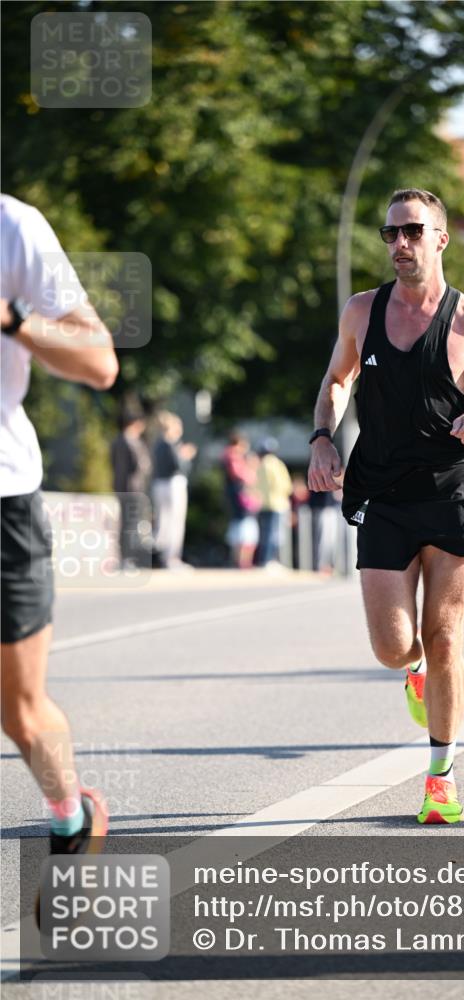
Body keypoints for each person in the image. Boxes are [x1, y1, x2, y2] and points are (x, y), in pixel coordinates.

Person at [308, 188, 464, 824]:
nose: (400, 244)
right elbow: (336, 383)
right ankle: (414, 676)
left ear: (440, 239)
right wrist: (324, 438)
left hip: (450, 491)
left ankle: (441, 776)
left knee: (445, 635)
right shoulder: (361, 311)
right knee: (395, 646)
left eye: (412, 232)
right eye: (390, 234)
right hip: (381, 491)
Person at [1, 193, 118, 863]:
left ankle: (70, 812)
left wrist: (13, 320)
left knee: (19, 711)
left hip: (4, 497)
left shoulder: (13, 228)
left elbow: (100, 362)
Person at [152, 411, 197, 569]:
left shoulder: (158, 443)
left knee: (163, 521)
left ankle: (162, 556)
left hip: (159, 484)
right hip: (172, 484)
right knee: (174, 522)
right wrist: (185, 456)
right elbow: (179, 466)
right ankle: (171, 558)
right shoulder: (170, 444)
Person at [110, 408, 152, 570]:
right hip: (132, 488)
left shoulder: (117, 441)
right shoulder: (132, 442)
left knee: (127, 523)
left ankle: (125, 558)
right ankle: (127, 558)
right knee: (130, 524)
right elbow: (141, 465)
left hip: (122, 487)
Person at [221, 431, 260, 569]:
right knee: (244, 526)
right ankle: (243, 561)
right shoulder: (233, 456)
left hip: (236, 494)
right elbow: (240, 475)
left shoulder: (229, 455)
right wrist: (251, 469)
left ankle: (240, 560)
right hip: (239, 495)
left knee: (241, 525)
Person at [255, 437, 292, 568]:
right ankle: (269, 561)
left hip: (262, 504)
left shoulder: (259, 464)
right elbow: (285, 485)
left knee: (264, 534)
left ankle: (263, 560)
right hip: (277, 503)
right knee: (274, 534)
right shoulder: (276, 464)